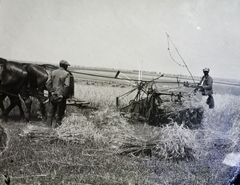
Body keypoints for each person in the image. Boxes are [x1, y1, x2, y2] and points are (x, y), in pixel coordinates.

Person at [45, 60, 72, 127]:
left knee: (50, 112)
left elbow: (47, 83)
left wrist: (51, 92)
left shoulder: (53, 72)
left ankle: (48, 127)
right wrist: (62, 95)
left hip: (52, 95)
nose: (67, 67)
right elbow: (67, 85)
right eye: (67, 66)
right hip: (60, 97)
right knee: (59, 113)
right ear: (64, 66)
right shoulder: (66, 74)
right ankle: (57, 128)